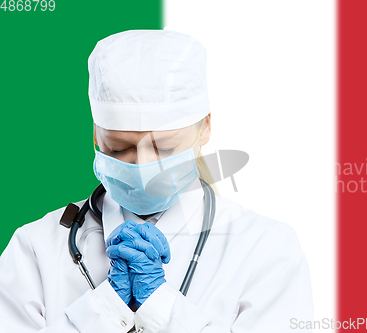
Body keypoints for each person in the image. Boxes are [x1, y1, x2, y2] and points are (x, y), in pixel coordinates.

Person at [0, 29, 313, 332]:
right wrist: (105, 307)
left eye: (165, 148)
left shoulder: (267, 250)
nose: (143, 166)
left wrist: (161, 308)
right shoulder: (35, 249)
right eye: (119, 148)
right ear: (96, 134)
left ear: (205, 127)